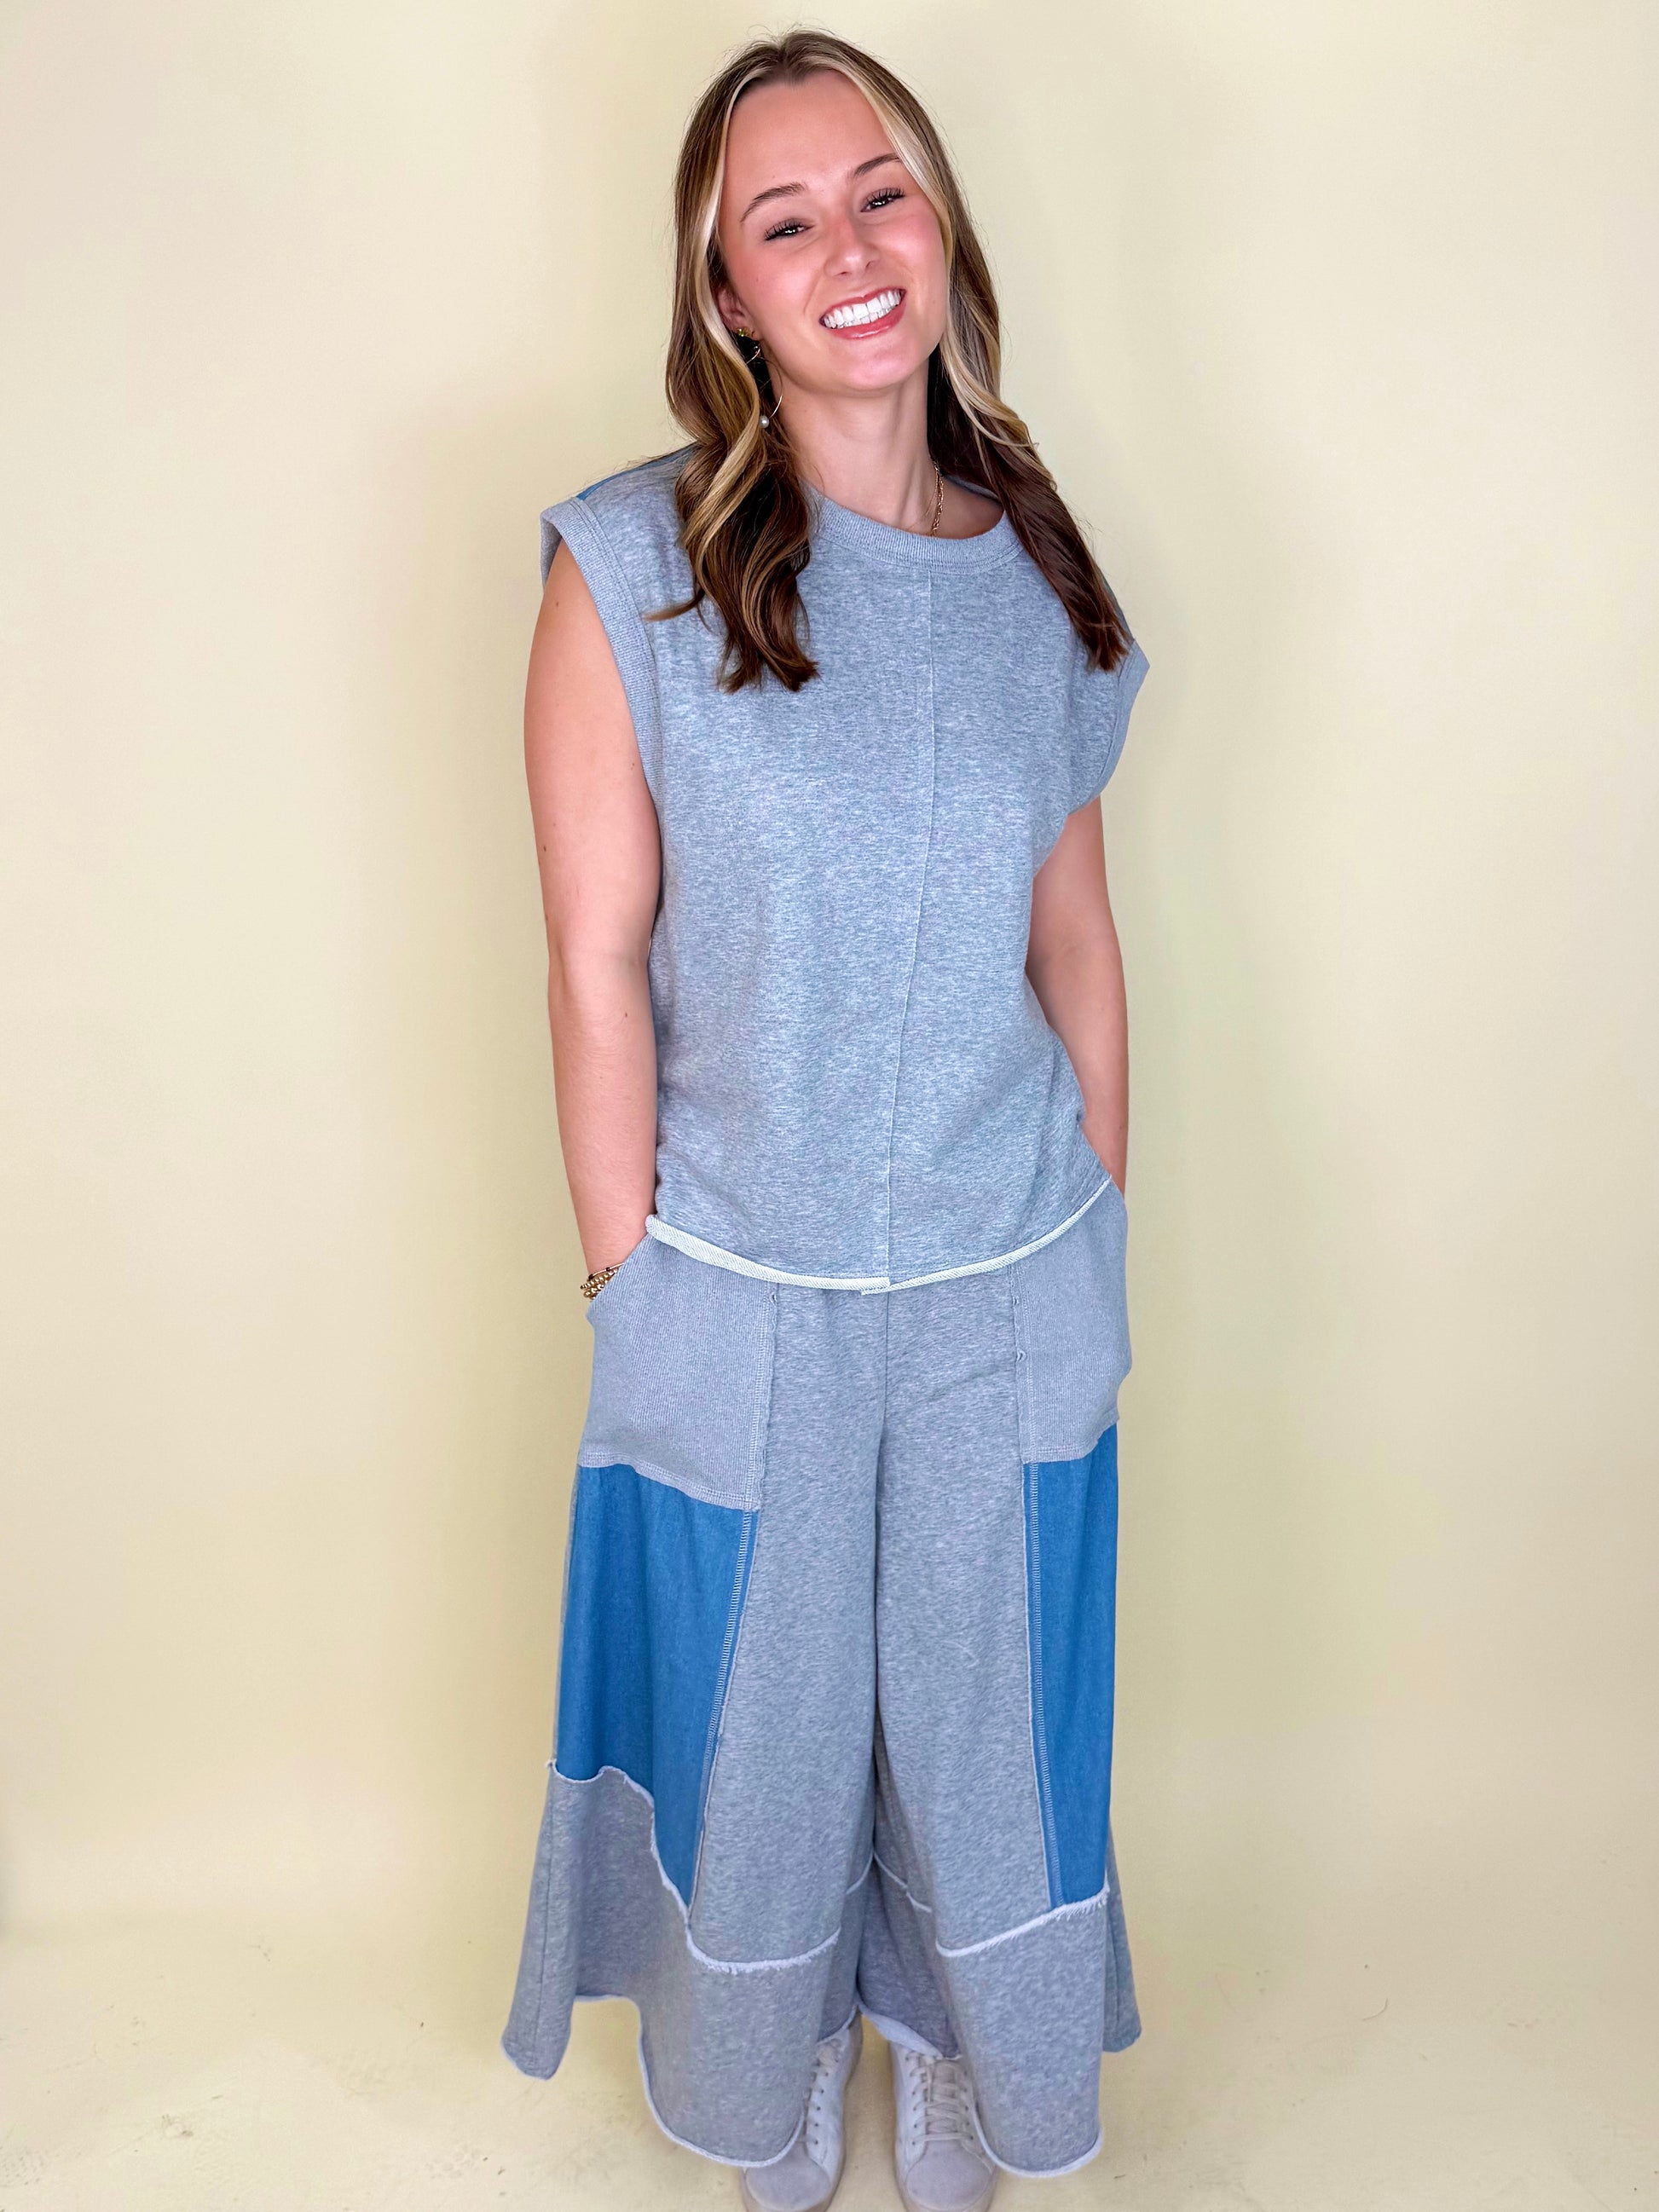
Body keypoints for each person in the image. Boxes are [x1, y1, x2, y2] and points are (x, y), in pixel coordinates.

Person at [501, 30, 1149, 2212]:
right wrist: (628, 1267)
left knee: (988, 1727)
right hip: (739, 1278)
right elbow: (594, 952)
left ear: (938, 218)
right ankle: (759, 2056)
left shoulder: (1039, 568)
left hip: (1003, 1271)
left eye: (881, 191)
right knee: (760, 1731)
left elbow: (1075, 933)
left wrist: (1098, 1217)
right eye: (783, 222)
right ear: (728, 296)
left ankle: (964, 2045)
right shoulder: (628, 567)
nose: (849, 247)